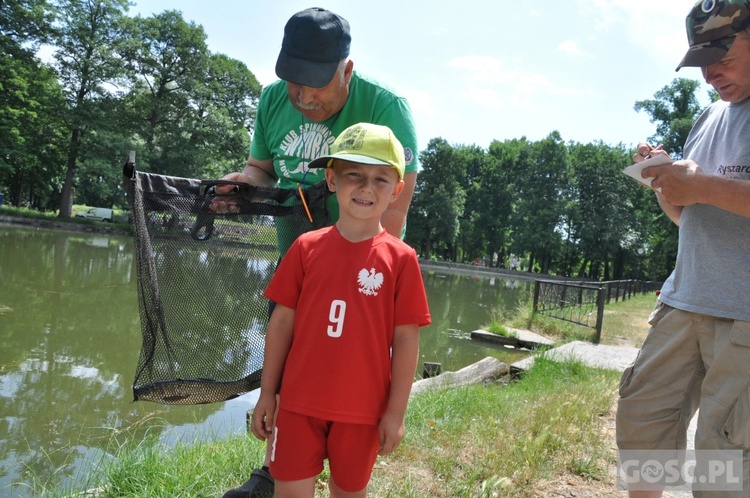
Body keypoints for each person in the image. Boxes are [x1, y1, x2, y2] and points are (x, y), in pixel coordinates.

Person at [221, 8, 420, 497]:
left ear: (346, 71)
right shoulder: (272, 100)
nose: (303, 97)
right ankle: (280, 467)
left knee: (350, 366)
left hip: (365, 274)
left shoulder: (387, 108)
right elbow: (261, 169)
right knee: (293, 360)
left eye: (315, 84)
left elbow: (394, 213)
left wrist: (369, 280)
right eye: (293, 82)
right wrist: (242, 183)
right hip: (300, 256)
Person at [249, 122, 431, 497]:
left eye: (381, 179)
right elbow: (281, 323)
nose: (366, 187)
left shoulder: (401, 259)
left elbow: (406, 341)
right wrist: (268, 393)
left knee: (349, 492)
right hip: (298, 405)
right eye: (354, 174)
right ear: (332, 179)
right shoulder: (305, 247)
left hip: (363, 412)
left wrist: (395, 414)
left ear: (396, 190)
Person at [616, 1, 750, 496]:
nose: (711, 73)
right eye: (701, 61)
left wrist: (703, 186)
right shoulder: (709, 116)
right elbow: (688, 218)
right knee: (643, 438)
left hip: (742, 319)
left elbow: (708, 192)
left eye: (723, 56)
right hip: (682, 302)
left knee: (722, 465)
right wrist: (668, 185)